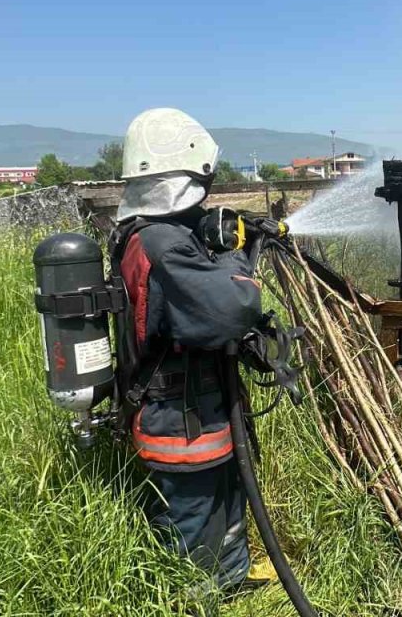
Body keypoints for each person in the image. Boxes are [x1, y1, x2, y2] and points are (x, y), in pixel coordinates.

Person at [108, 107, 265, 594]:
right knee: (193, 526)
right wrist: (236, 254)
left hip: (202, 413)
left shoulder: (159, 233)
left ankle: (233, 583)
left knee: (227, 501)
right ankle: (197, 600)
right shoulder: (161, 243)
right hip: (180, 421)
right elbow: (234, 307)